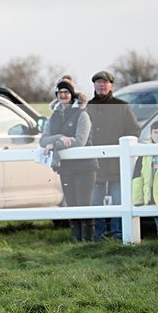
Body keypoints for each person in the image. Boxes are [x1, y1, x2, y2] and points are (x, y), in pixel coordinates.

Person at [39, 80, 98, 241]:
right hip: (65, 167)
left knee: (83, 204)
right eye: (60, 93)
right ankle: (75, 240)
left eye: (66, 92)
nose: (63, 95)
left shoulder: (82, 114)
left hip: (85, 167)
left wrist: (55, 144)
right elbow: (43, 141)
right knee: (71, 203)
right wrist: (60, 138)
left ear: (72, 94)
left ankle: (87, 240)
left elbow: (80, 141)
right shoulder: (54, 117)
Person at [86, 70, 140, 240]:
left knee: (119, 201)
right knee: (95, 202)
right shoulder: (87, 107)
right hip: (95, 164)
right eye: (98, 82)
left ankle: (118, 234)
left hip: (118, 163)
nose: (101, 85)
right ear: (94, 85)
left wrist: (121, 146)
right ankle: (98, 235)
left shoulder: (122, 106)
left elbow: (134, 130)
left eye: (105, 82)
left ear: (111, 85)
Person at [133, 120, 158, 231]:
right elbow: (138, 178)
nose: (157, 135)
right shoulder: (144, 152)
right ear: (151, 134)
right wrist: (137, 199)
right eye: (155, 132)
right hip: (151, 196)